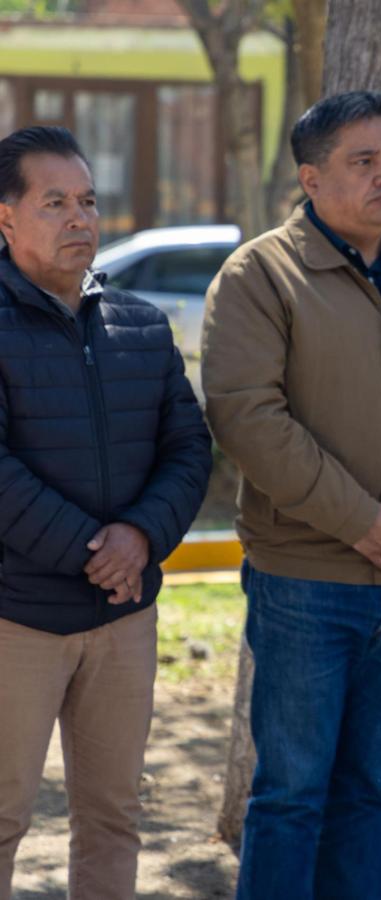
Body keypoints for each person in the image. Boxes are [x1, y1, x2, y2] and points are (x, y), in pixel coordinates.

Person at [201, 91, 381, 900]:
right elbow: (248, 419)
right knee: (291, 798)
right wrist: (363, 523)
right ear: (311, 179)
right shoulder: (260, 276)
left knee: (367, 796)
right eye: (364, 161)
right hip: (305, 584)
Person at [0, 126, 211, 900]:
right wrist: (99, 549)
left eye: (87, 201)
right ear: (5, 217)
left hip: (124, 620)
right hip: (16, 618)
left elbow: (188, 449)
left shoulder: (142, 325)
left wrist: (141, 536)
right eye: (54, 202)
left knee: (114, 818)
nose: (79, 218)